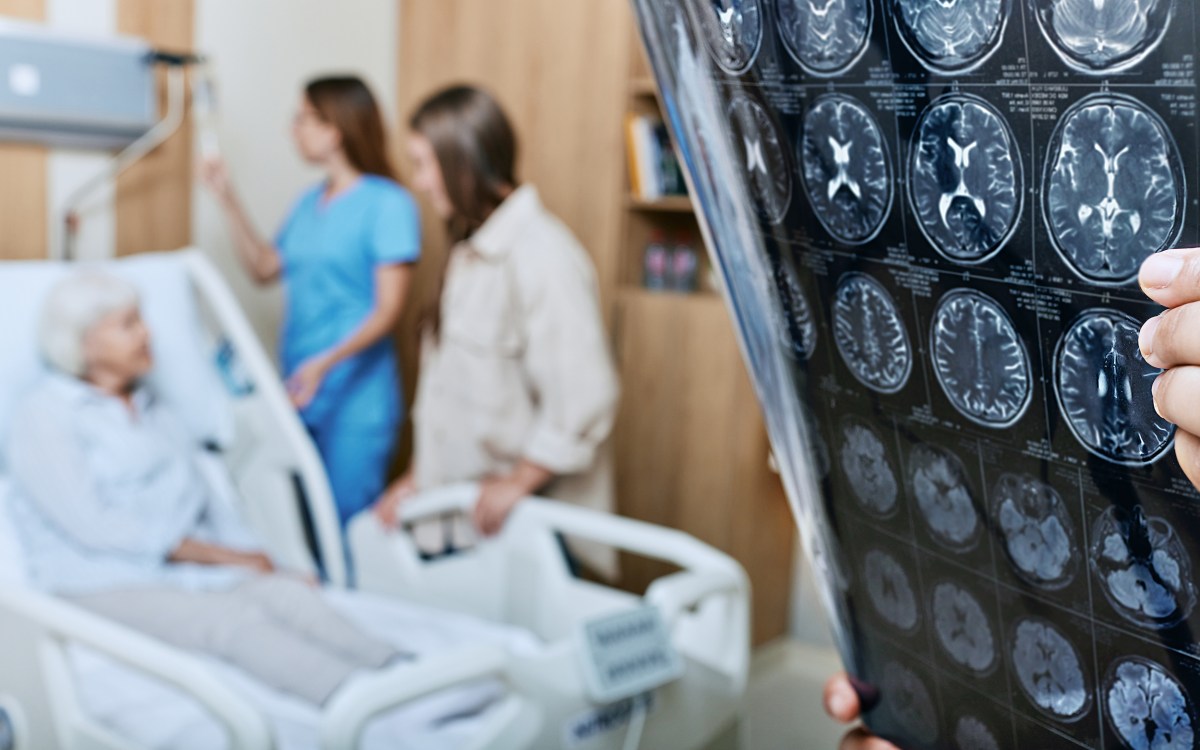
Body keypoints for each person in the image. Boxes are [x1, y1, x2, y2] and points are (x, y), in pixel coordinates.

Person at [6, 271, 406, 706]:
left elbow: (210, 506)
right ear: (84, 343)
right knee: (232, 623)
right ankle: (367, 707)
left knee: (289, 597)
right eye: (128, 325)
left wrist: (266, 561)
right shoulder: (44, 415)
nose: (147, 334)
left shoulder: (155, 410)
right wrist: (222, 557)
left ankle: (404, 673)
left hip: (182, 570)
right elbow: (93, 525)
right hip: (102, 579)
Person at [372, 85, 620, 577]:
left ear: (462, 162)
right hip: (463, 520)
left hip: (523, 524)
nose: (419, 182)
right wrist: (418, 478)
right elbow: (459, 398)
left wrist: (519, 482)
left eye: (424, 164)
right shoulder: (470, 254)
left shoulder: (541, 256)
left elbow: (584, 398)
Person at [201, 75, 420, 526]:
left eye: (302, 119)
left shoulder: (388, 204)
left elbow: (388, 310)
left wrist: (326, 362)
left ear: (334, 128)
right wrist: (226, 197)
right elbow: (264, 268)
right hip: (301, 390)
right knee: (298, 526)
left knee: (345, 524)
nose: (292, 130)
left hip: (356, 397)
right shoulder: (308, 203)